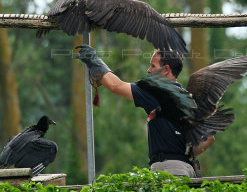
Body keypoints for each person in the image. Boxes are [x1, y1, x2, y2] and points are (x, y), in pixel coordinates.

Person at [76, 44, 214, 177]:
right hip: (184, 169)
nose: (149, 70)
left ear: (166, 70)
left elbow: (115, 86)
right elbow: (209, 138)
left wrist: (94, 60)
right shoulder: (189, 99)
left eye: (153, 66)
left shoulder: (157, 91)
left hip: (168, 170)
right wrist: (185, 156)